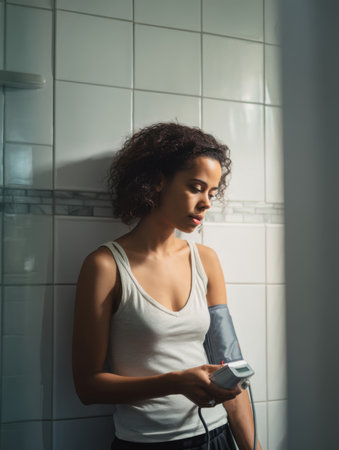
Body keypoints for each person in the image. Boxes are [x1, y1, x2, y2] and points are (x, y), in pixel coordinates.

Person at [72, 122, 261, 450]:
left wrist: (253, 447)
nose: (206, 204)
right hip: (146, 443)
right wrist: (176, 382)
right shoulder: (105, 266)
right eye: (196, 187)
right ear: (158, 181)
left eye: (212, 193)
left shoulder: (206, 260)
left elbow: (229, 361)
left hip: (216, 436)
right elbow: (88, 388)